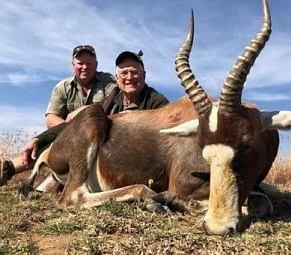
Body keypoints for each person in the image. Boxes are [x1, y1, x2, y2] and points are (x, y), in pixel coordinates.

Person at [0, 50, 169, 187]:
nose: (129, 77)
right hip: (102, 156)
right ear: (117, 80)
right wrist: (38, 139)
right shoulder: (112, 98)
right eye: (124, 73)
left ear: (144, 75)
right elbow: (75, 124)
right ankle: (7, 170)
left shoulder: (158, 102)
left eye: (134, 72)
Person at [0, 45, 116, 186]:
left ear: (96, 65)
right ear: (73, 64)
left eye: (89, 63)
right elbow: (50, 119)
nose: (84, 67)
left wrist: (84, 110)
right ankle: (7, 170)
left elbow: (111, 103)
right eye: (80, 63)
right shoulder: (62, 87)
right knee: (50, 145)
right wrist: (71, 134)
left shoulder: (108, 81)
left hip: (102, 136)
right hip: (71, 138)